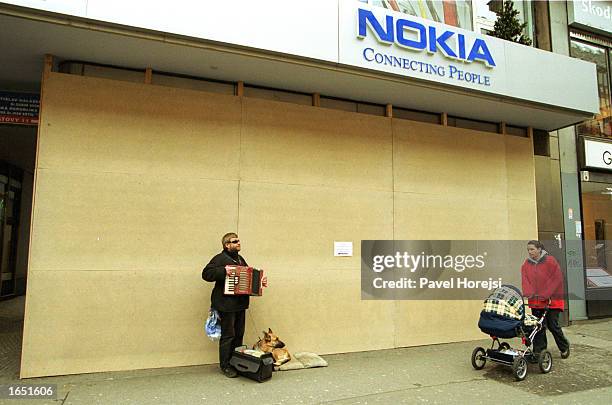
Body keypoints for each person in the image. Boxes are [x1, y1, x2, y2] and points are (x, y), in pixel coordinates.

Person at [202, 232, 249, 378]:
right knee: (228, 335)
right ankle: (225, 365)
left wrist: (259, 282)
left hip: (240, 304)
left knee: (239, 335)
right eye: (235, 241)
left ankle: (236, 362)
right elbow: (206, 274)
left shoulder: (240, 259)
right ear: (227, 245)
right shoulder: (220, 258)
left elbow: (248, 275)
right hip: (226, 304)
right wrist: (224, 271)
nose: (238, 243)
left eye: (238, 240)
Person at [521, 240, 570, 359]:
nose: (530, 252)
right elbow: (525, 279)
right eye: (528, 250)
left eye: (532, 249)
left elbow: (557, 279)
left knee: (553, 326)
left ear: (539, 249)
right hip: (536, 301)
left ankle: (564, 347)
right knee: (538, 327)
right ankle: (539, 352)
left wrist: (546, 293)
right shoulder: (527, 264)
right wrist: (528, 292)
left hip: (551, 301)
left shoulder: (550, 261)